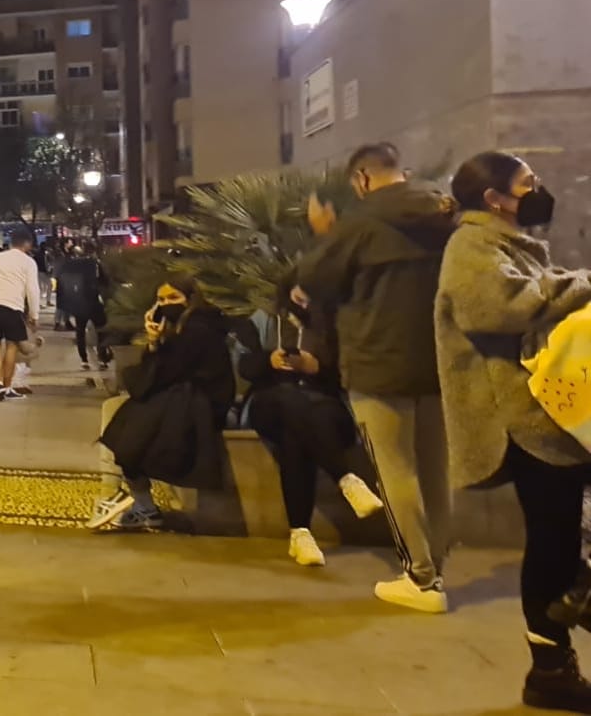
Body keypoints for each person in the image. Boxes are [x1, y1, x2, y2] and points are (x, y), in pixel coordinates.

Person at [433, 152, 591, 710]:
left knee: (559, 537)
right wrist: (582, 285)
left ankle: (574, 599)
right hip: (515, 417)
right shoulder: (470, 246)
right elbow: (494, 309)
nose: (539, 190)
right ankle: (550, 667)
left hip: (538, 410)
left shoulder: (502, 243)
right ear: (495, 199)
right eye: (528, 184)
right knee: (551, 541)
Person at [297, 142, 455, 614]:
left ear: (362, 178)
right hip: (435, 361)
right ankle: (436, 567)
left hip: (377, 363)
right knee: (434, 472)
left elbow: (315, 281)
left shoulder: (360, 224)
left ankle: (422, 580)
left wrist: (325, 233)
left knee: (395, 471)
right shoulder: (444, 214)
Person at [240, 280, 384, 567]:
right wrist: (269, 361)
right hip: (270, 401)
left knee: (294, 433)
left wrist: (316, 368)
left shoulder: (338, 324)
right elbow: (243, 365)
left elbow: (356, 373)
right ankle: (346, 478)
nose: (303, 299)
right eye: (298, 292)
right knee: (287, 399)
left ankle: (300, 533)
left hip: (323, 405)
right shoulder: (267, 320)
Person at [89, 276, 235, 530]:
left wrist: (156, 345)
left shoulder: (198, 328)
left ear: (190, 299)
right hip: (182, 398)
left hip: (199, 405)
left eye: (173, 298)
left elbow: (163, 372)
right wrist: (154, 340)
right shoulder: (180, 325)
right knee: (118, 414)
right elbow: (158, 372)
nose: (166, 304)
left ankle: (125, 497)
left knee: (127, 424)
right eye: (161, 300)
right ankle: (135, 502)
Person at [0, 229, 42, 402]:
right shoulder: (28, 262)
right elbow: (32, 289)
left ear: (11, 242)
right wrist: (34, 314)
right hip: (12, 305)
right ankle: (7, 387)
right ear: (27, 244)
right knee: (12, 346)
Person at [58, 242, 113, 370]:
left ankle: (84, 360)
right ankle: (102, 358)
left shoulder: (73, 264)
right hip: (93, 302)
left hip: (78, 303)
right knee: (101, 330)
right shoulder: (95, 263)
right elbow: (106, 281)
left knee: (80, 331)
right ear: (94, 251)